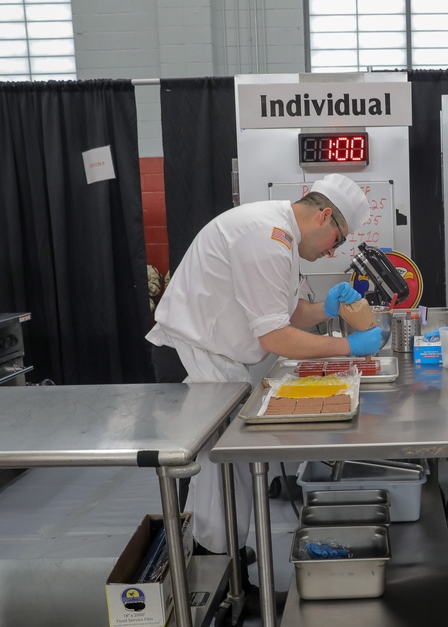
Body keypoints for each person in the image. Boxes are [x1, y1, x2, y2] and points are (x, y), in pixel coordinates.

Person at [146, 173, 384, 597]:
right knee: (217, 476)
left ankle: (224, 564)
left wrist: (323, 308)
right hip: (193, 356)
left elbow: (288, 313)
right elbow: (274, 338)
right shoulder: (267, 237)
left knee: (225, 477)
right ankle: (216, 578)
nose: (334, 250)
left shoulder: (278, 234)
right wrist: (349, 345)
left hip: (214, 358)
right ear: (324, 215)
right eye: (337, 238)